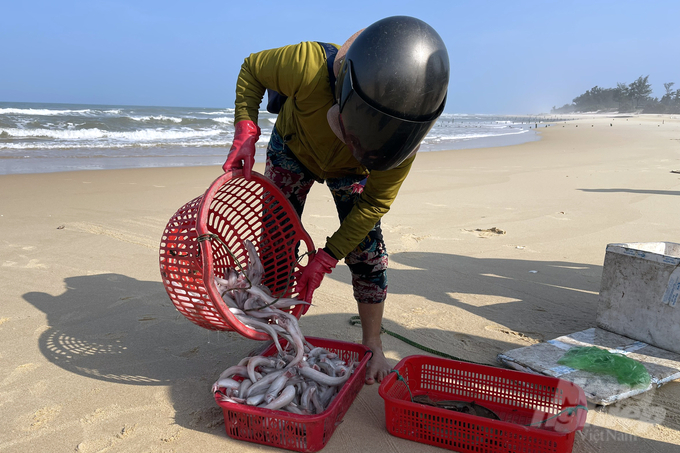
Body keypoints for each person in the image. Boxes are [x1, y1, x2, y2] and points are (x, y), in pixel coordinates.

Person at [223, 16, 449, 384]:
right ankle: (275, 332)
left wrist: (326, 259)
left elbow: (373, 205)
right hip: (293, 150)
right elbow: (252, 70)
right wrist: (245, 127)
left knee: (368, 252)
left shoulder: (400, 142)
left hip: (354, 172)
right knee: (276, 244)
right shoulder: (308, 65)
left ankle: (373, 344)